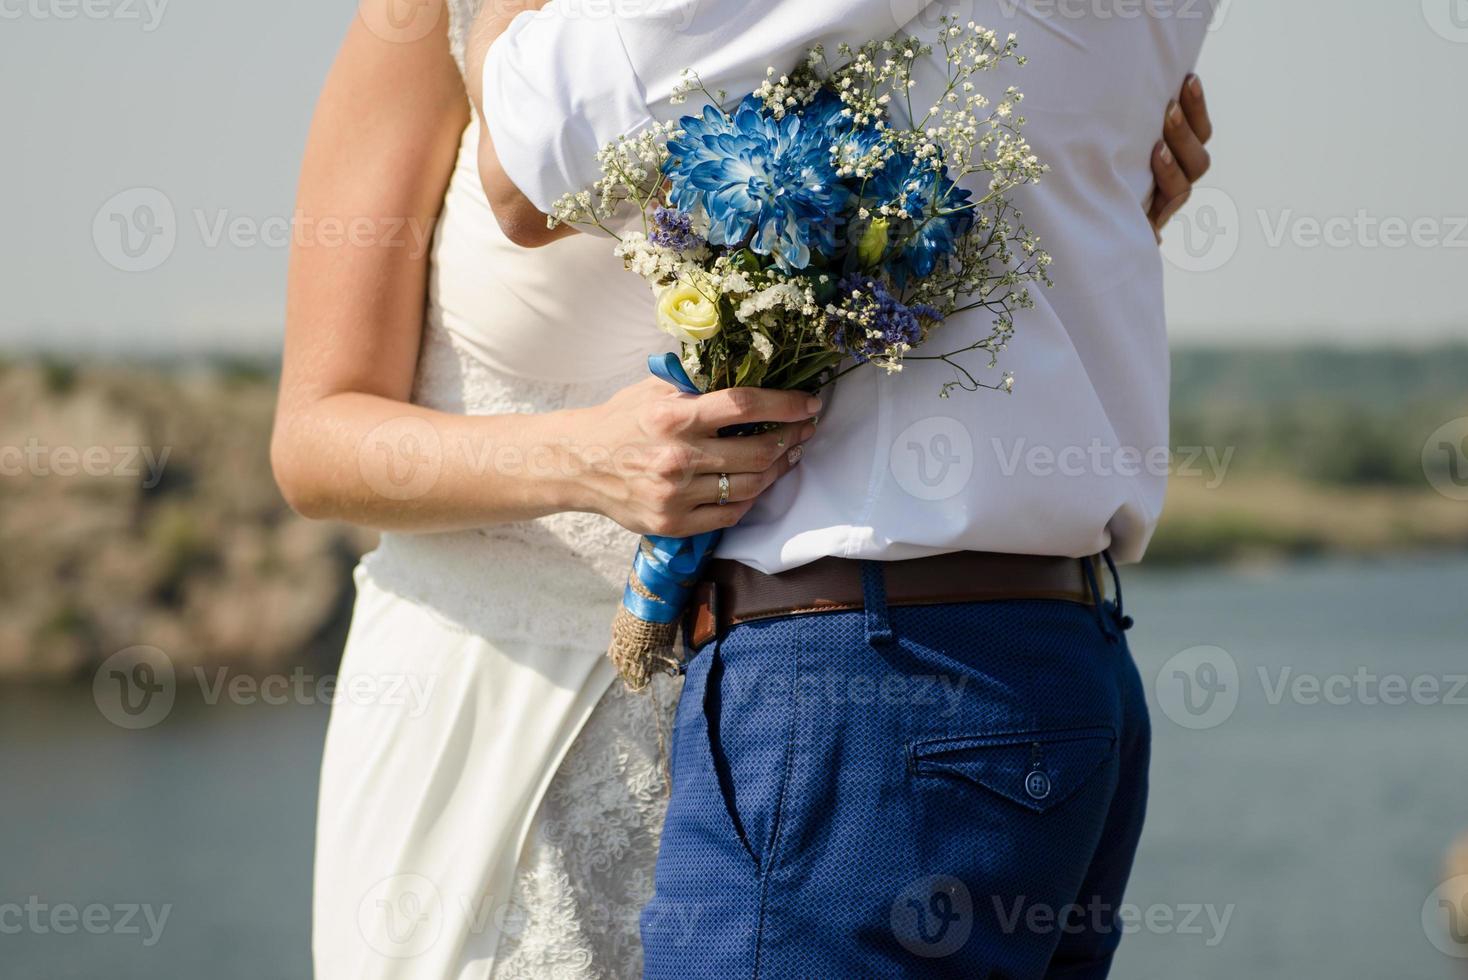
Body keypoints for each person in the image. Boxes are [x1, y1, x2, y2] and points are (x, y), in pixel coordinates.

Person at [275, 0, 1213, 975]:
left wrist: (1081, 182)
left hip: (764, 709)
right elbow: (313, 440)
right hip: (494, 717)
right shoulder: (428, 20)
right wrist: (581, 459)